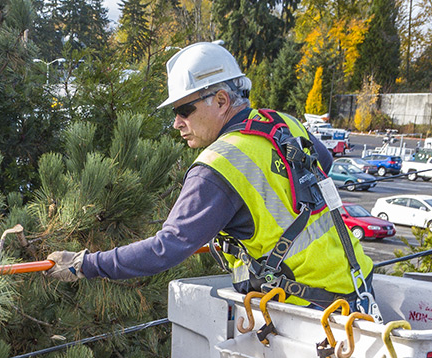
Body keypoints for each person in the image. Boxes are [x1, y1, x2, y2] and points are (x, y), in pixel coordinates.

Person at [45, 41, 375, 312]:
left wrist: (83, 264)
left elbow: (166, 248)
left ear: (220, 100)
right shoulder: (282, 123)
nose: (176, 123)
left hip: (307, 311)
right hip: (356, 284)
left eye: (183, 111)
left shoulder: (219, 165)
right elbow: (325, 163)